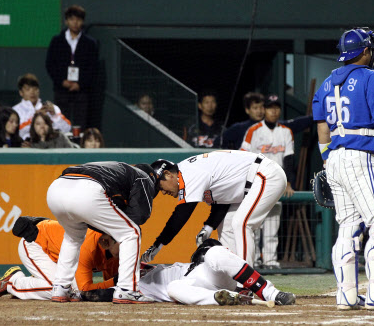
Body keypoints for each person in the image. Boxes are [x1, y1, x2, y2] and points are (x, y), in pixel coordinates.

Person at [313, 28, 374, 311]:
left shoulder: (327, 81)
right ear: (366, 51)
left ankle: (345, 295)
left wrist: (327, 159)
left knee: (348, 227)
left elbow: (321, 126)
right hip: (361, 155)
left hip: (334, 158)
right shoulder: (371, 77)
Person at [142, 150, 287, 267]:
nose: (163, 192)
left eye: (160, 187)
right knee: (227, 227)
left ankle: (247, 282)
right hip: (250, 184)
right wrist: (209, 226)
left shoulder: (188, 172)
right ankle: (235, 278)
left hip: (265, 174)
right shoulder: (190, 173)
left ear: (168, 174)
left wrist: (159, 243)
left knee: (241, 223)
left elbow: (182, 213)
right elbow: (222, 202)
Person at [46, 161, 158, 304]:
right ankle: (126, 289)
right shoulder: (144, 177)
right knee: (131, 233)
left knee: (72, 237)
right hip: (86, 189)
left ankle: (61, 287)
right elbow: (139, 216)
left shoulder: (118, 168)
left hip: (56, 188)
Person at [81, 239, 295, 306]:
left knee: (214, 252)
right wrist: (81, 293)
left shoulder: (150, 267)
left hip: (201, 273)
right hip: (191, 289)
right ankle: (224, 298)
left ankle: (271, 293)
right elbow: (97, 293)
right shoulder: (128, 287)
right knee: (174, 288)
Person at [0, 218, 119, 300]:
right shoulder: (88, 244)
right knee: (62, 290)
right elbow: (84, 290)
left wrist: (119, 280)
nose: (127, 247)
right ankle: (13, 282)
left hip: (57, 255)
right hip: (36, 244)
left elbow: (111, 283)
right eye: (122, 242)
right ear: (106, 241)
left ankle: (41, 279)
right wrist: (115, 281)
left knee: (70, 290)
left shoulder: (115, 253)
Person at [240, 95, 296, 268]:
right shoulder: (253, 130)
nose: (274, 111)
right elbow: (243, 156)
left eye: (276, 107)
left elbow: (289, 159)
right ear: (264, 110)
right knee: (254, 226)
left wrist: (288, 183)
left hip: (277, 184)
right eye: (270, 107)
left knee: (272, 226)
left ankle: (270, 261)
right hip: (257, 183)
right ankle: (254, 261)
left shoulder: (286, 131)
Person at [46, 5, 98, 129]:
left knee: (81, 124)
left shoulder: (90, 43)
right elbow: (50, 64)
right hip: (61, 90)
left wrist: (80, 84)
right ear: (66, 21)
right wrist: (62, 81)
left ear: (83, 22)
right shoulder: (57, 41)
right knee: (60, 122)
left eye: (78, 19)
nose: (75, 22)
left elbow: (93, 68)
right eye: (72, 19)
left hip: (82, 92)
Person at [221, 92, 314, 150]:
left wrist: (316, 116)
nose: (259, 111)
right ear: (247, 110)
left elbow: (296, 124)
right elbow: (219, 142)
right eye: (255, 108)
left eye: (262, 107)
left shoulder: (276, 126)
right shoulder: (238, 128)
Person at [13, 73, 71, 141]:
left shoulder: (51, 108)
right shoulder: (15, 110)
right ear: (21, 92)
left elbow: (67, 129)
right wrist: (35, 117)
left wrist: (54, 115)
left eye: (35, 89)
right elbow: (16, 132)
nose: (32, 92)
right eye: (28, 89)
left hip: (50, 145)